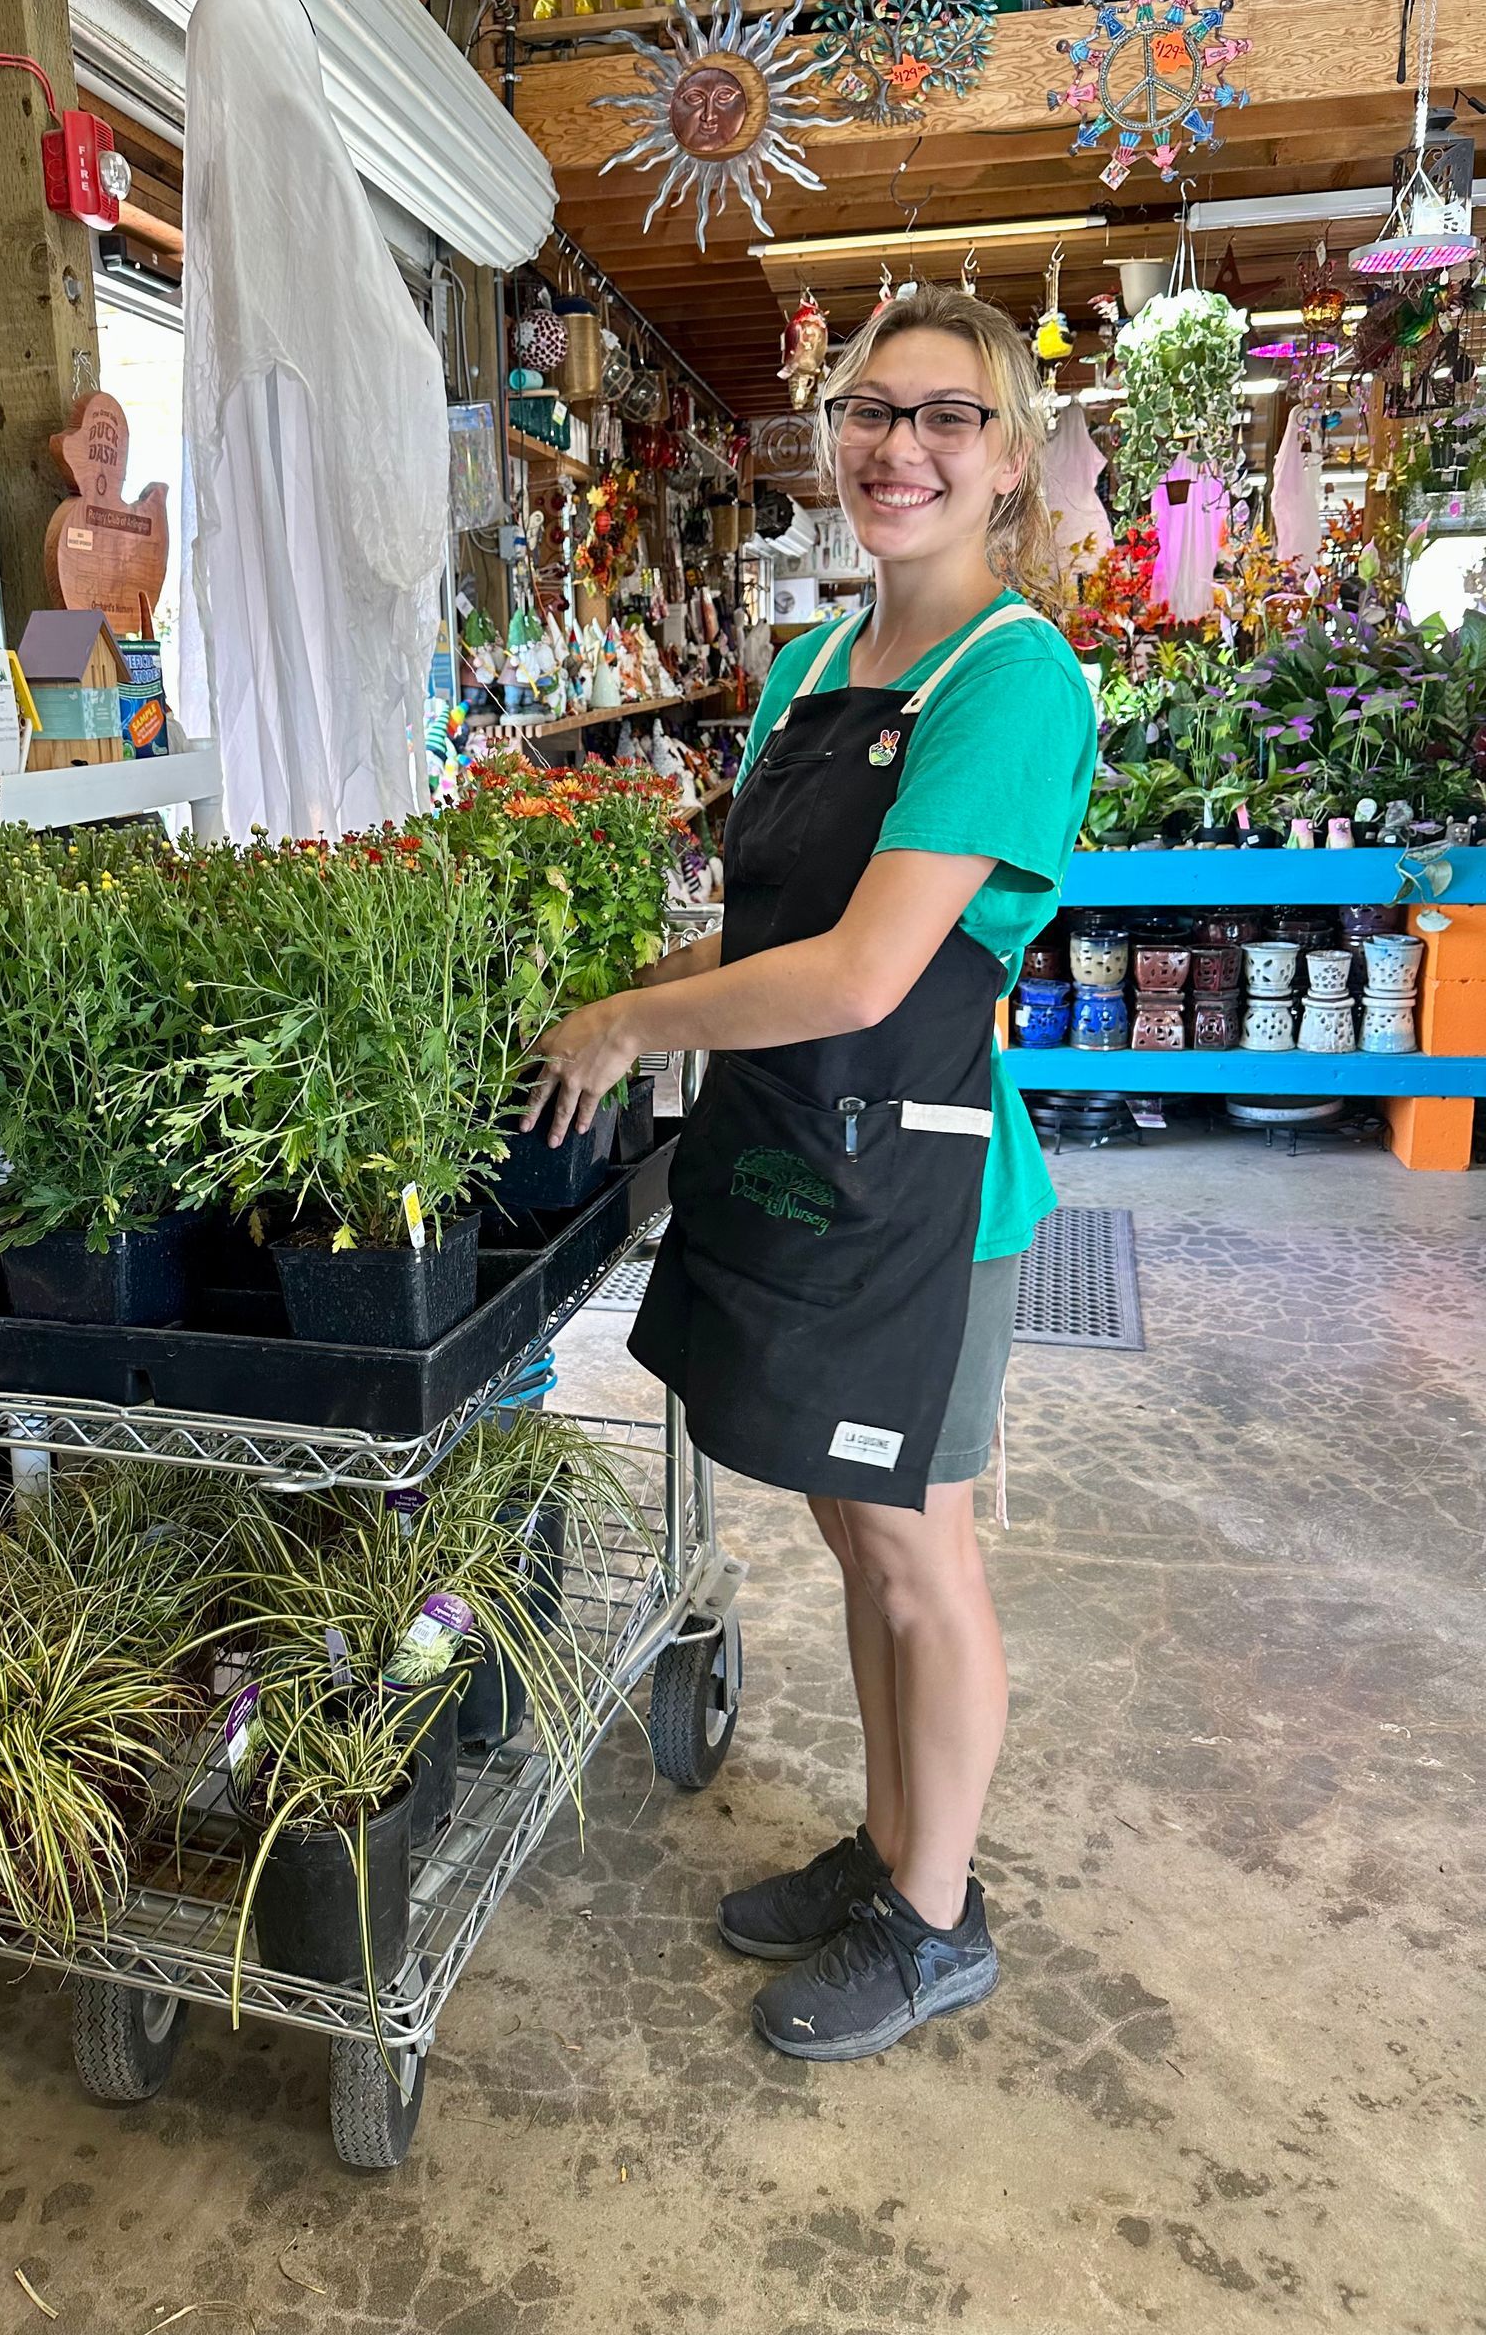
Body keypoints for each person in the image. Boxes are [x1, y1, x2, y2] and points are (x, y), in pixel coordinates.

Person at [522, 283, 1097, 2062]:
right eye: (871, 413)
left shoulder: (1013, 681)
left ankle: (939, 1922)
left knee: (924, 1558)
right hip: (791, 1158)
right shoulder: (804, 667)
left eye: (945, 420)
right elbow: (766, 909)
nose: (897, 449)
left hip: (924, 1199)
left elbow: (863, 971)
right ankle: (889, 1849)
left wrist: (630, 1013)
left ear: (1009, 463)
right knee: (855, 1542)